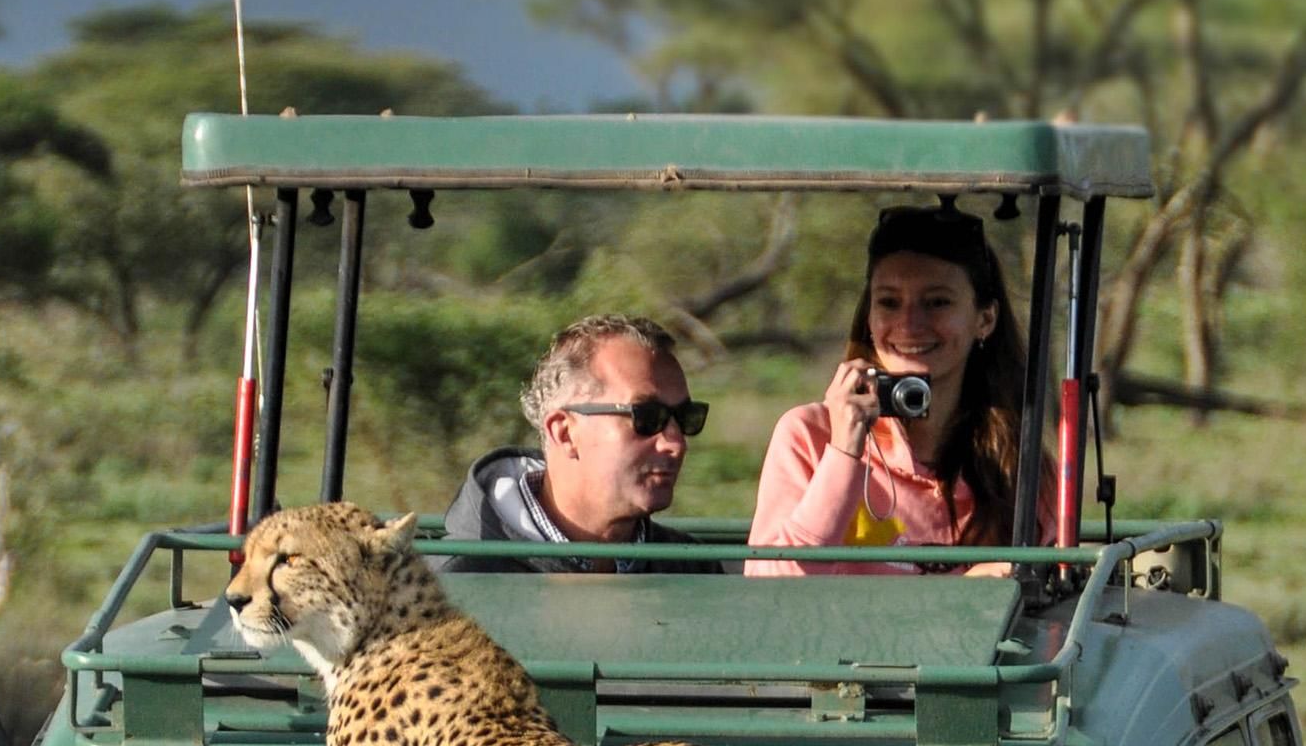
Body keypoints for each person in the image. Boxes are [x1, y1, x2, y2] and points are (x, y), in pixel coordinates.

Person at [746, 206, 1036, 577]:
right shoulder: (810, 435)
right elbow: (770, 590)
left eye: (937, 303)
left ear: (985, 319)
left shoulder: (1019, 460)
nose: (910, 324)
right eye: (889, 302)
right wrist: (844, 452)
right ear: (869, 317)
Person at [438, 313, 716, 575]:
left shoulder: (696, 574)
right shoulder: (455, 583)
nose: (676, 444)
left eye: (685, 418)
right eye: (647, 417)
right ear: (565, 433)